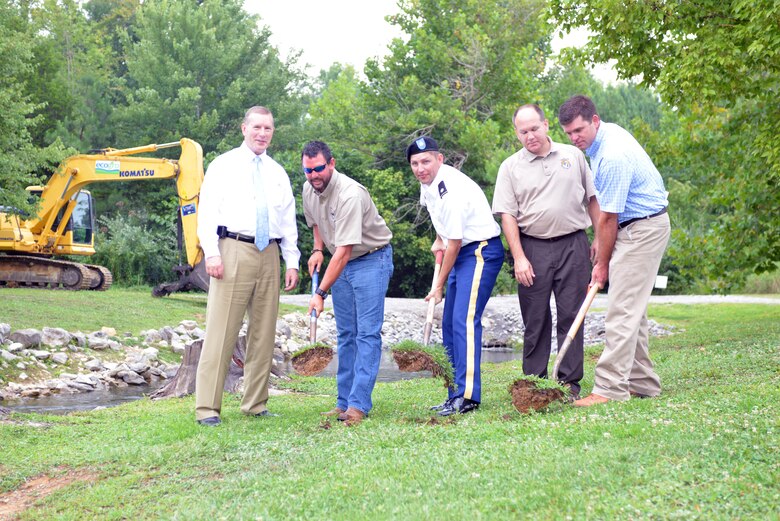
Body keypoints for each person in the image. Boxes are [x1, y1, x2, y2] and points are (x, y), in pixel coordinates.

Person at [558, 94, 671, 407]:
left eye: (579, 130)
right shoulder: (602, 140)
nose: (574, 138)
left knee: (620, 311)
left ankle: (609, 389)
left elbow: (608, 218)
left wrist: (601, 265)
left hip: (642, 230)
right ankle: (643, 382)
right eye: (568, 134)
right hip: (633, 227)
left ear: (594, 120)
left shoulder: (612, 156)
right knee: (633, 309)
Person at [194, 106, 300, 426]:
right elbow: (208, 213)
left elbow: (287, 220)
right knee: (221, 331)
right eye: (256, 127)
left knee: (263, 332)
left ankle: (255, 403)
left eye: (268, 129)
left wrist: (291, 260)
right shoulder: (223, 165)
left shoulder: (277, 172)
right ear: (244, 128)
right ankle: (207, 409)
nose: (262, 133)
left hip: (269, 253)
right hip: (232, 249)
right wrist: (211, 253)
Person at [492, 104, 599, 400]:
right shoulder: (510, 167)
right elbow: (508, 216)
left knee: (571, 315)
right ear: (517, 133)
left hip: (573, 244)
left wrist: (600, 238)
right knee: (536, 319)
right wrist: (519, 258)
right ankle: (534, 384)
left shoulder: (573, 156)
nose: (530, 136)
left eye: (534, 129)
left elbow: (592, 198)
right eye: (523, 131)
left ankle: (568, 384)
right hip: (533, 248)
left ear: (546, 124)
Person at [408, 136, 504, 416]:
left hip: (480, 252)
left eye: (426, 161)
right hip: (459, 250)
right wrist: (438, 237)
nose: (420, 167)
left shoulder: (449, 189)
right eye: (414, 163)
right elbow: (442, 226)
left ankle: (469, 397)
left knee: (465, 320)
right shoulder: (427, 185)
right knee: (449, 325)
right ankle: (454, 395)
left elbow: (456, 242)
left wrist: (438, 285)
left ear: (440, 159)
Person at [302, 140, 393, 427]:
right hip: (340, 260)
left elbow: (342, 253)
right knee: (346, 334)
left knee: (367, 334)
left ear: (331, 163)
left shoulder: (350, 195)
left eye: (318, 168)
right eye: (308, 170)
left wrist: (319, 293)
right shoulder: (309, 188)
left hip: (370, 259)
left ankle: (358, 405)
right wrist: (317, 249)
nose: (314, 175)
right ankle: (343, 401)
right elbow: (316, 222)